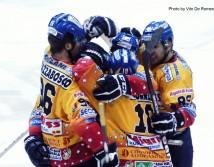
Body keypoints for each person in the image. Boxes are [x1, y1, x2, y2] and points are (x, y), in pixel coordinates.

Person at [23, 13, 119, 167]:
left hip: (51, 154)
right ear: (68, 45)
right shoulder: (70, 83)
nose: (82, 44)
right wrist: (104, 152)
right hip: (76, 158)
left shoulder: (47, 55)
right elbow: (84, 121)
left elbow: (41, 101)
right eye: (79, 41)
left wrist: (34, 135)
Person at [73, 31, 174, 167]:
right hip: (153, 156)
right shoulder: (144, 76)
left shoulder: (102, 82)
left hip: (129, 157)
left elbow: (79, 70)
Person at [141, 21, 197, 167]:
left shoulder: (176, 74)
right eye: (146, 45)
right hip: (152, 141)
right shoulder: (154, 58)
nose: (148, 51)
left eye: (154, 46)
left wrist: (174, 120)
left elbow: (189, 111)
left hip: (174, 144)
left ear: (168, 44)